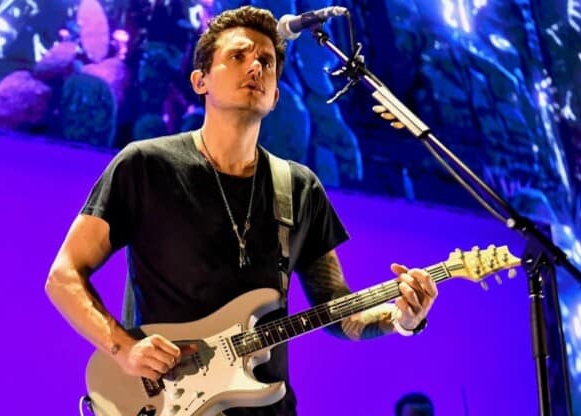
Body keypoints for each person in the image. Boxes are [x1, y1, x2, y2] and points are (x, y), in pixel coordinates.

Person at [45, 5, 438, 416]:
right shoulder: (146, 165)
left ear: (276, 95)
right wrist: (124, 350)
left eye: (266, 61)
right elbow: (63, 276)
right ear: (200, 81)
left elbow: (339, 313)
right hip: (164, 405)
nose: (255, 67)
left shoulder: (298, 187)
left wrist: (401, 318)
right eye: (238, 56)